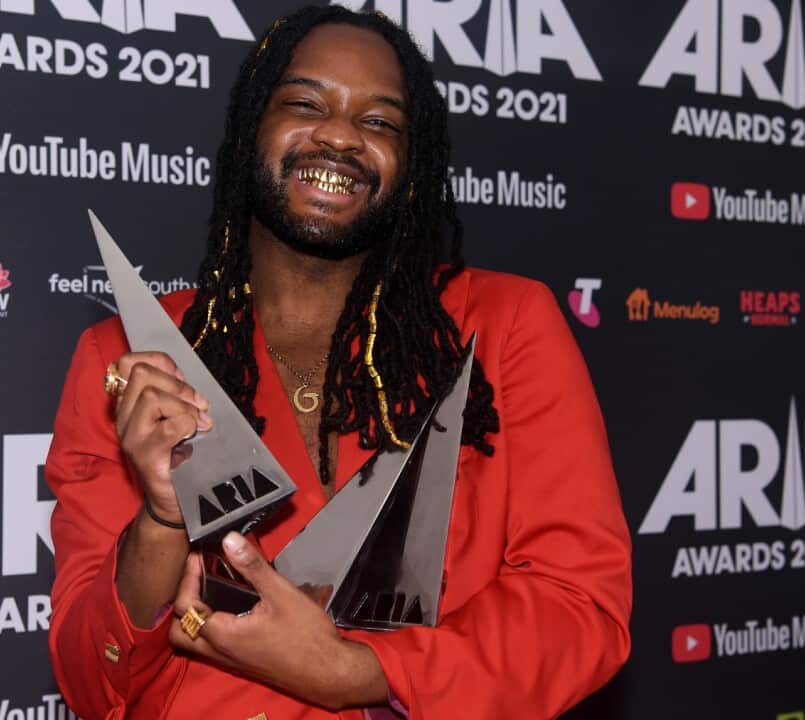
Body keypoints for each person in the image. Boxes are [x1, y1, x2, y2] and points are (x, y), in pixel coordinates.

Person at [44, 6, 632, 719]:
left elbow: (580, 606)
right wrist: (164, 519)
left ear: (412, 165)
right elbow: (91, 683)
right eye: (305, 104)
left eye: (379, 121)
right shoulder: (131, 359)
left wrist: (362, 673)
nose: (342, 136)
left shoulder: (505, 326)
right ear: (249, 128)